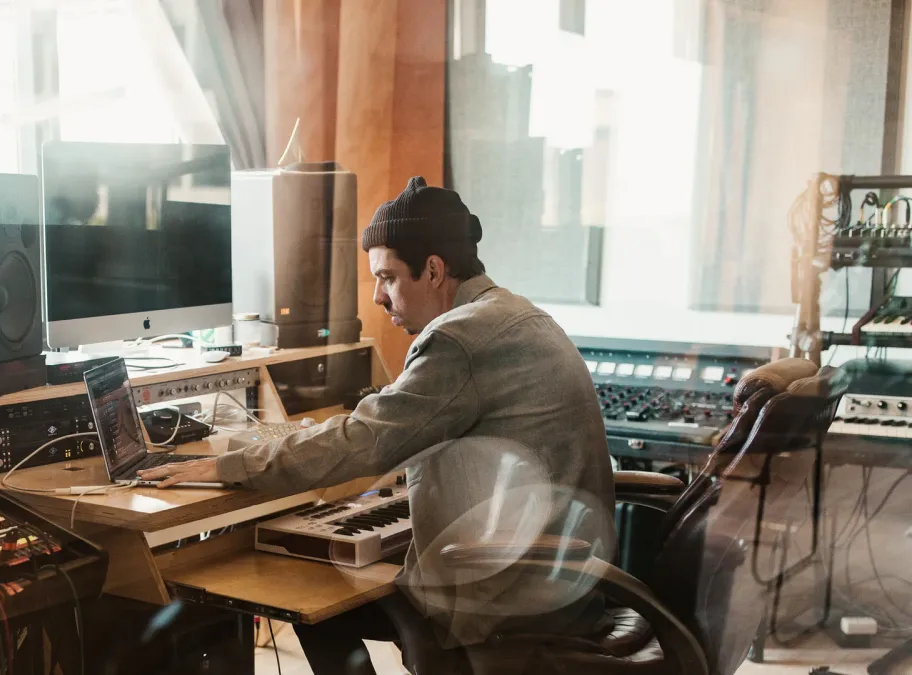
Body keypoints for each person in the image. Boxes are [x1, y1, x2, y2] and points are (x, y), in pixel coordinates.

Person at [140, 176, 615, 674]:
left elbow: (364, 440)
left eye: (387, 277)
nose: (378, 298)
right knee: (338, 573)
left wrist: (227, 465)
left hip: (510, 598)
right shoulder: (517, 314)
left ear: (434, 270)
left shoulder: (459, 338)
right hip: (564, 584)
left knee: (304, 588)